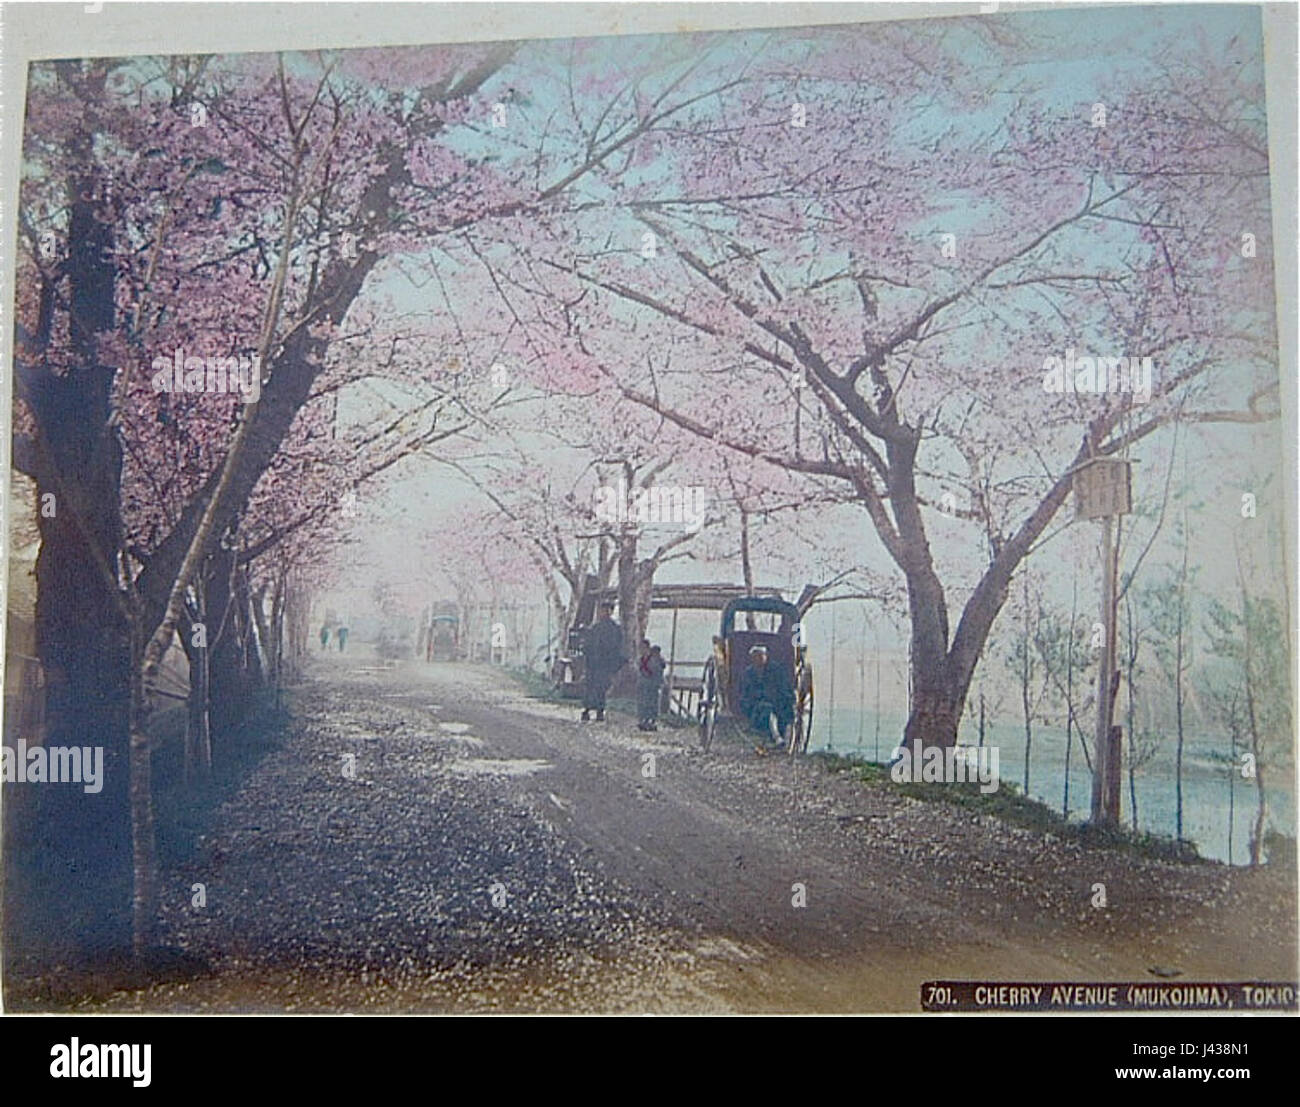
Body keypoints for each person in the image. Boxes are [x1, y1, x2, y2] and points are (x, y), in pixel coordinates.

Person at [738, 644, 793, 745]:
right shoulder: (748, 673)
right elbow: (745, 694)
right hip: (757, 705)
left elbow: (783, 687)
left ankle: (783, 737)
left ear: (766, 656)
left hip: (776, 701)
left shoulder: (776, 670)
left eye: (761, 655)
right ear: (752, 659)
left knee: (781, 710)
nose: (759, 659)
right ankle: (776, 737)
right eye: (756, 656)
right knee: (767, 711)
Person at [580, 601, 624, 722]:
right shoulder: (595, 628)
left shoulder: (615, 629)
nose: (604, 612)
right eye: (603, 610)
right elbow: (587, 645)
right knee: (590, 687)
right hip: (593, 664)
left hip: (605, 664)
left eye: (607, 610)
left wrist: (614, 665)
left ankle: (600, 711)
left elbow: (618, 647)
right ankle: (586, 710)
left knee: (602, 688)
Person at [638, 642, 665, 731]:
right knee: (643, 702)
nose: (642, 650)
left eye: (643, 648)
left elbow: (657, 671)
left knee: (652, 703)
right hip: (644, 684)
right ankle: (643, 720)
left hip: (652, 685)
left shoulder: (654, 659)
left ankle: (652, 721)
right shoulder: (641, 659)